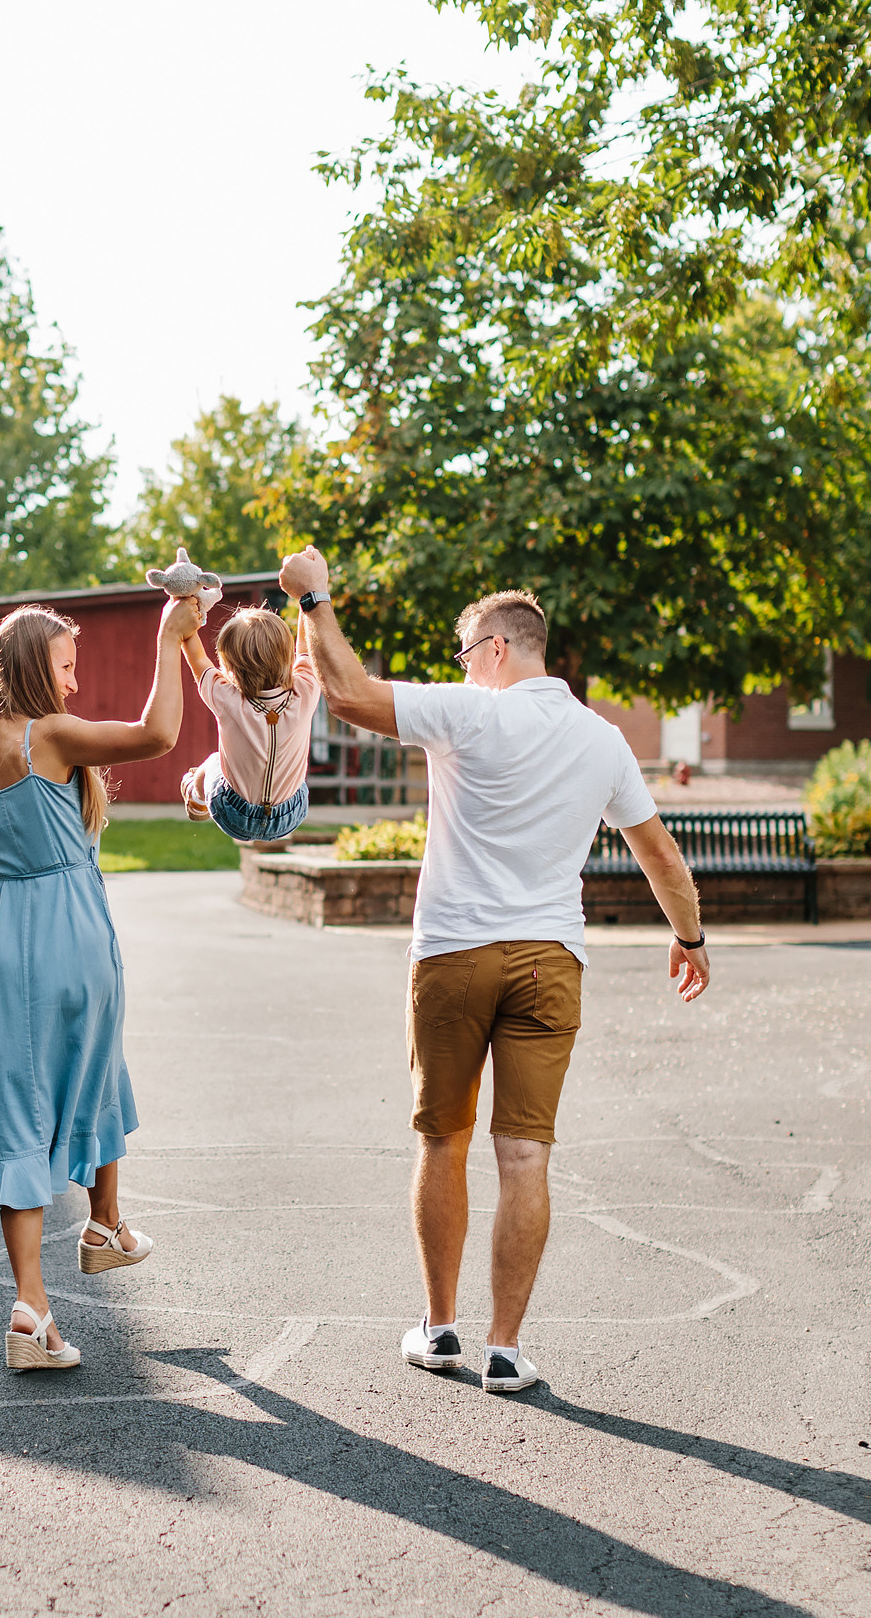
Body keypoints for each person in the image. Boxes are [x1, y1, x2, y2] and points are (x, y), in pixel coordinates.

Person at [276, 546, 710, 1394]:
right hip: (550, 960)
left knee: (443, 1140)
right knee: (525, 1157)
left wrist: (314, 597)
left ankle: (439, 1331)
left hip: (453, 953)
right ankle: (505, 1349)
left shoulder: (470, 714)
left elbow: (350, 694)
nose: (462, 667)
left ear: (500, 649)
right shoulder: (604, 739)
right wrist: (689, 937)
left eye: (465, 652)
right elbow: (658, 853)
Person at [0, 597, 202, 1371]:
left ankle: (32, 1312)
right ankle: (104, 1222)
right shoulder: (49, 736)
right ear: (30, 669)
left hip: (6, 950)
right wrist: (167, 638)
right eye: (66, 665)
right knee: (99, 1069)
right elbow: (156, 734)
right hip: (75, 933)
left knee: (18, 1120)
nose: (75, 680)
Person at [178, 603, 323, 843]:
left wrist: (183, 608)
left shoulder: (226, 698)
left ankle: (196, 795)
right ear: (289, 657)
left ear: (230, 668)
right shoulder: (306, 691)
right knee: (294, 775)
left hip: (233, 813)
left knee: (214, 761)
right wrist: (305, 597)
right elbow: (307, 647)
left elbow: (198, 660)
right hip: (290, 814)